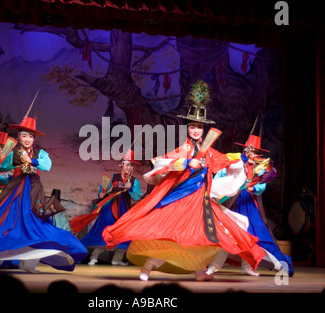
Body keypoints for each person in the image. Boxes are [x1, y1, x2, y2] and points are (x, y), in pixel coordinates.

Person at [102, 81, 265, 281]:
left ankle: (199, 272)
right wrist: (188, 163)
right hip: (181, 201)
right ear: (188, 128)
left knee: (198, 238)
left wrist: (243, 159)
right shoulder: (184, 149)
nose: (196, 130)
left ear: (204, 129)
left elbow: (223, 160)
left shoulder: (208, 152)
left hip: (200, 203)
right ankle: (147, 267)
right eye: (193, 127)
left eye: (199, 127)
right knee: (170, 238)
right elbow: (165, 163)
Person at [0, 108, 87, 273]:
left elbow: (46, 166)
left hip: (34, 191)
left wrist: (31, 160)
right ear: (18, 137)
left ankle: (27, 264)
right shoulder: (12, 153)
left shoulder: (40, 153)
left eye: (30, 136)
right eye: (24, 135)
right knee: (7, 223)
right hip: (16, 190)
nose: (27, 139)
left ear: (34, 138)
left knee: (37, 225)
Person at [207, 132, 294, 277]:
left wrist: (253, 187)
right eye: (248, 150)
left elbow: (261, 186)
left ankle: (248, 266)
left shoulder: (260, 167)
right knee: (230, 232)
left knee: (255, 233)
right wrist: (220, 190)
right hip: (231, 200)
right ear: (244, 150)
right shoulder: (235, 162)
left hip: (249, 203)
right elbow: (220, 176)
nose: (251, 153)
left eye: (254, 151)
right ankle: (215, 265)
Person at [70, 150, 142, 266]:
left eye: (131, 165)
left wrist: (131, 189)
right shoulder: (113, 177)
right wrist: (102, 193)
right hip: (109, 208)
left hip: (123, 209)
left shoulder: (134, 181)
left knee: (121, 232)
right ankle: (94, 257)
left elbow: (137, 196)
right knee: (104, 230)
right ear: (122, 164)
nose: (128, 168)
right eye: (126, 164)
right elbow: (101, 193)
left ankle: (117, 259)